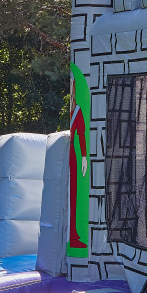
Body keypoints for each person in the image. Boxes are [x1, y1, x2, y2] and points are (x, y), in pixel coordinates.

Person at [69, 99, 89, 249]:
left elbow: (81, 134)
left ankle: (73, 235)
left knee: (73, 193)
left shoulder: (77, 109)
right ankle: (70, 234)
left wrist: (84, 156)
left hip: (70, 152)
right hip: (61, 150)